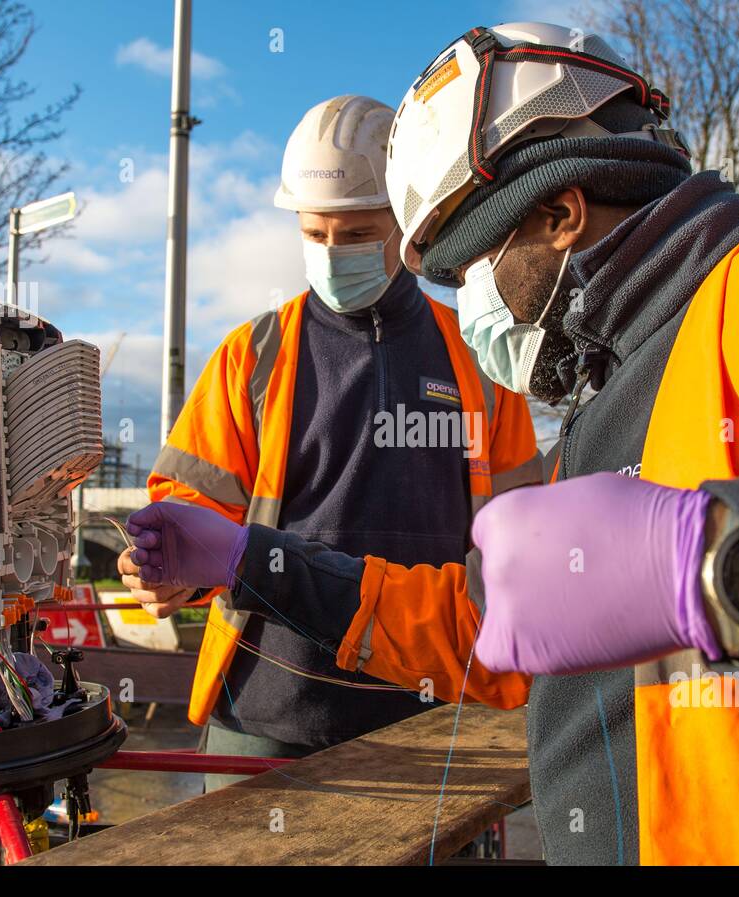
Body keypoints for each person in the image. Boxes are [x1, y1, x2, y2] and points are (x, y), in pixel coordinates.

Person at [126, 23, 739, 864]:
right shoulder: (605, 403)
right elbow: (484, 630)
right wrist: (260, 561)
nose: (470, 304)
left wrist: (720, 569)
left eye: (471, 266)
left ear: (558, 212)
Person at [118, 94, 539, 790]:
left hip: (437, 709)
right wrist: (167, 568)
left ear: (408, 223)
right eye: (316, 233)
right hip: (268, 713)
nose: (334, 252)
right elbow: (191, 508)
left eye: (358, 233)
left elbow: (524, 536)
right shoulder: (253, 356)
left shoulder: (481, 362)